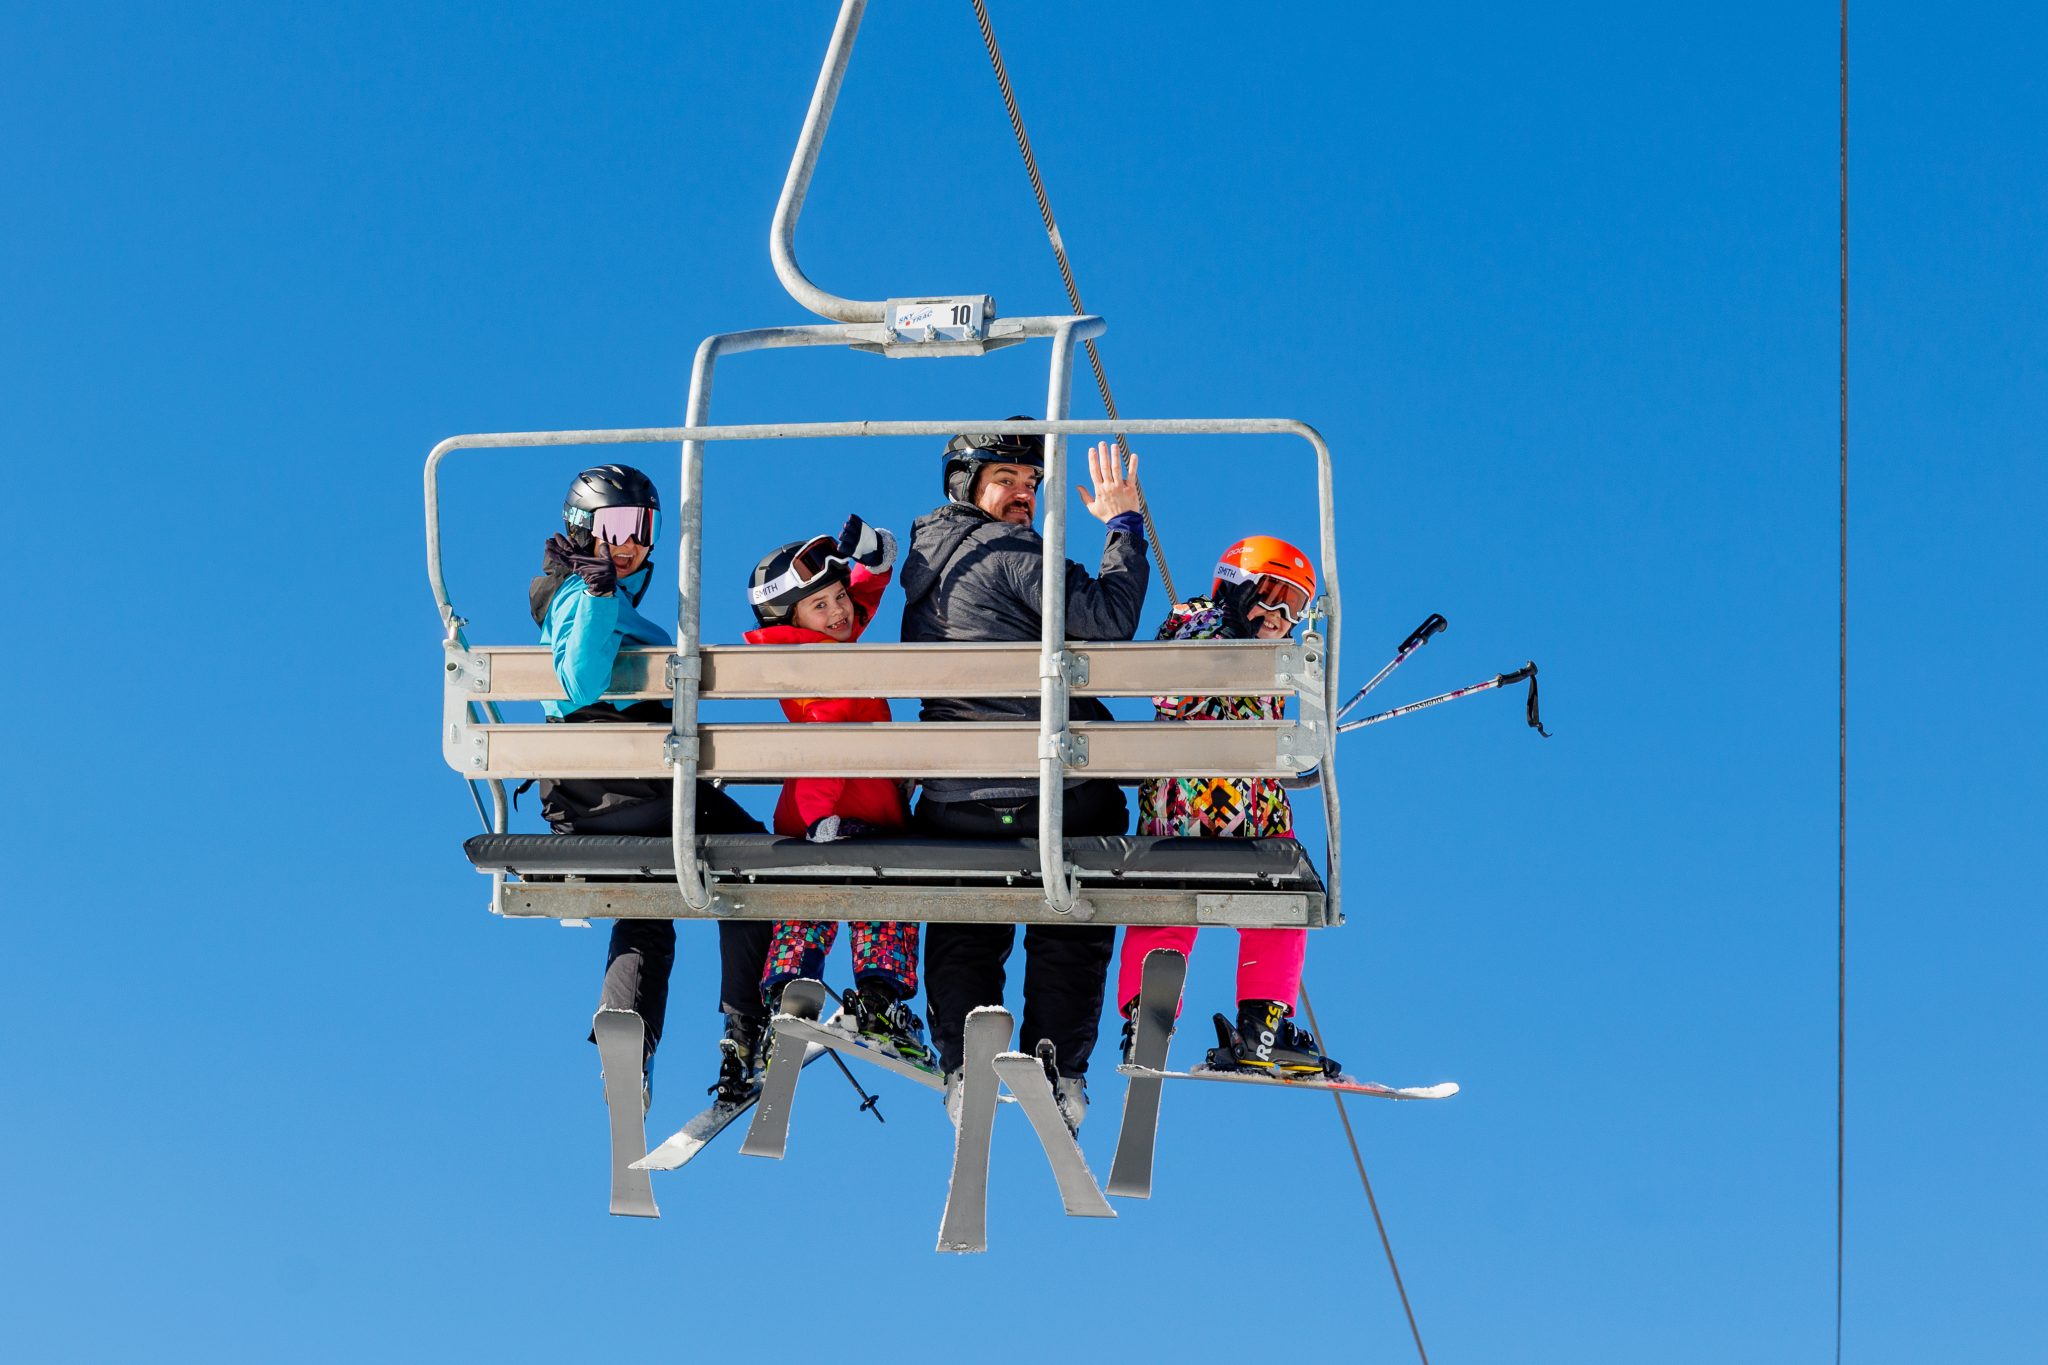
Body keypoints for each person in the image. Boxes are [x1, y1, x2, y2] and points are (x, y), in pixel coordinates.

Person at [898, 422, 1151, 1129]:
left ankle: (962, 1062)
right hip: (1050, 796)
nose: (1023, 496)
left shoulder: (923, 570)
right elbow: (1105, 621)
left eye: (1031, 486)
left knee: (967, 919)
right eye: (1006, 481)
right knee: (1074, 898)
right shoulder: (1011, 551)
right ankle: (1059, 1064)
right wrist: (1124, 525)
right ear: (967, 486)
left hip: (954, 802)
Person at [528, 464, 774, 1107]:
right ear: (581, 527)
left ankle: (627, 1033)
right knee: (753, 858)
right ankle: (746, 1030)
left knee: (648, 904)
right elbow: (577, 684)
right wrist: (602, 594)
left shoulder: (582, 593)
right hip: (632, 792)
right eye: (613, 525)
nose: (630, 540)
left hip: (586, 803)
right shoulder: (585, 595)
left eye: (642, 526)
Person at [1112, 536, 1339, 1076]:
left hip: (1244, 825)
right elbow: (1170, 689)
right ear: (1234, 589)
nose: (1280, 614)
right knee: (1183, 900)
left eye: (1295, 605)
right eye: (1270, 594)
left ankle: (1261, 1025)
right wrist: (1222, 629)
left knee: (1282, 901)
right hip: (1192, 819)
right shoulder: (1203, 623)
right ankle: (1151, 1014)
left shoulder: (1270, 658)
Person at [740, 515, 931, 1067]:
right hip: (832, 818)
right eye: (820, 605)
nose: (840, 611)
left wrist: (871, 556)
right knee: (865, 898)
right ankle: (860, 996)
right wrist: (819, 820)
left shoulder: (824, 643)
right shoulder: (816, 665)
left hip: (848, 818)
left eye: (837, 597)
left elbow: (869, 586)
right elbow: (826, 743)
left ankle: (813, 991)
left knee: (836, 904)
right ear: (790, 616)